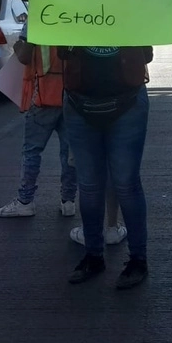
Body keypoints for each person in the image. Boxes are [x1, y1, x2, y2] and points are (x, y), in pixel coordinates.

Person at [61, 44, 153, 289]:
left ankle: (137, 259)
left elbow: (148, 50)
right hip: (80, 100)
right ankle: (94, 255)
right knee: (91, 185)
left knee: (125, 184)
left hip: (126, 99)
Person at [0, 20, 77, 218]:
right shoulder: (77, 15)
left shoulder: (39, 17)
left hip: (44, 97)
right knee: (70, 153)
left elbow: (23, 56)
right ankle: (69, 201)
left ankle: (25, 201)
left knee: (31, 151)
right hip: (73, 97)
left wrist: (24, 38)